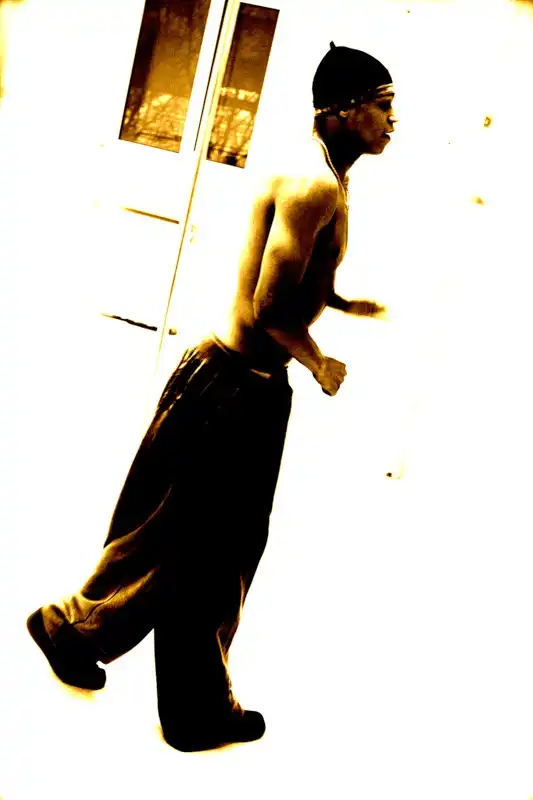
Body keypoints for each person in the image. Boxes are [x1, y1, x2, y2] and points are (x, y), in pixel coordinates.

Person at [26, 43, 398, 753]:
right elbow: (268, 305)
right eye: (383, 106)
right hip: (232, 388)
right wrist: (319, 362)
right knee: (193, 546)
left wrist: (345, 303)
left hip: (234, 383)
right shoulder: (314, 187)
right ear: (344, 110)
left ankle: (146, 677)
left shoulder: (323, 176)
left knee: (197, 547)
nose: (393, 121)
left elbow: (297, 275)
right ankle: (102, 648)